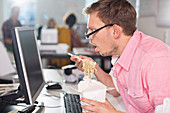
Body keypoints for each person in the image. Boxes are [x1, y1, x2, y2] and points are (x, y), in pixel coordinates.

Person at [70, 0, 170, 113]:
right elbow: (116, 89)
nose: (89, 37)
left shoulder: (156, 60)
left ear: (115, 31)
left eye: (93, 30)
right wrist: (93, 68)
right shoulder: (122, 53)